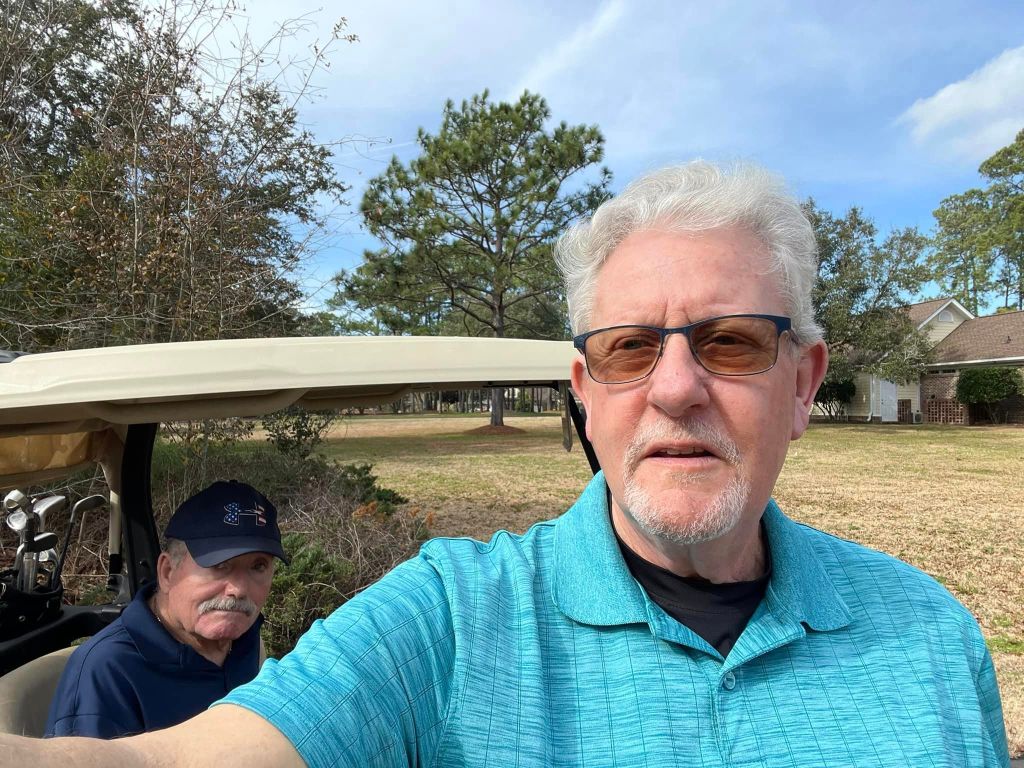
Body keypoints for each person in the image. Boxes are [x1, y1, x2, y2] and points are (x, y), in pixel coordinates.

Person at [4, 161, 1010, 766]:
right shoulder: (451, 617)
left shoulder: (929, 637)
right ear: (586, 391)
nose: (674, 388)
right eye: (628, 348)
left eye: (732, 342)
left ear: (802, 384)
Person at [44, 480, 288, 738]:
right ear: (167, 572)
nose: (238, 589)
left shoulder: (244, 639)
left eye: (258, 567)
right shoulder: (107, 673)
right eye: (220, 565)